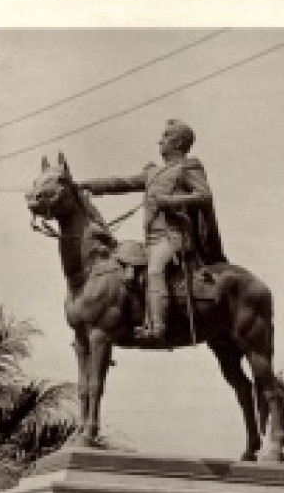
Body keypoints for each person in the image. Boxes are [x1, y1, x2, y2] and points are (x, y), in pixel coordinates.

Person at [81, 119, 227, 343]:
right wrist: (88, 185)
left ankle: (157, 327)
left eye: (166, 136)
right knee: (121, 255)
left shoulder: (188, 167)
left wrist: (169, 201)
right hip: (150, 240)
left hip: (174, 238)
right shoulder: (153, 172)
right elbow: (123, 182)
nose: (161, 140)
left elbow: (205, 196)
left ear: (178, 142)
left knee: (155, 268)